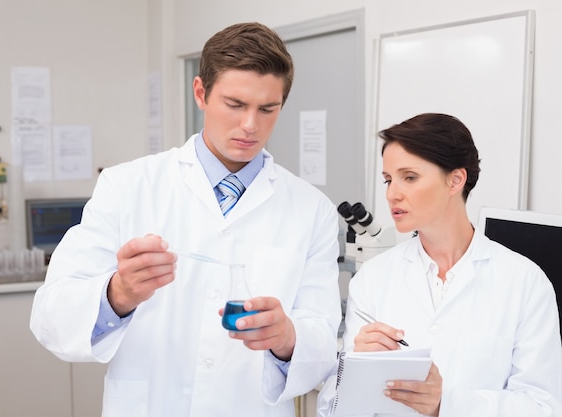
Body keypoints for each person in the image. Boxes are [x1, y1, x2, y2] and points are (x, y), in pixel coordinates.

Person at [30, 22, 342, 417]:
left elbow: (321, 336)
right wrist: (119, 294)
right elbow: (50, 316)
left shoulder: (311, 209)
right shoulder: (127, 185)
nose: (251, 125)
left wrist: (287, 337)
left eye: (267, 109)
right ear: (201, 93)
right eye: (235, 104)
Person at [318, 113, 562, 416]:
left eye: (409, 177)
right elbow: (333, 407)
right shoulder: (372, 279)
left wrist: (445, 403)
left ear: (455, 180)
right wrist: (357, 367)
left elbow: (544, 407)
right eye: (388, 179)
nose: (392, 193)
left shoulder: (525, 282)